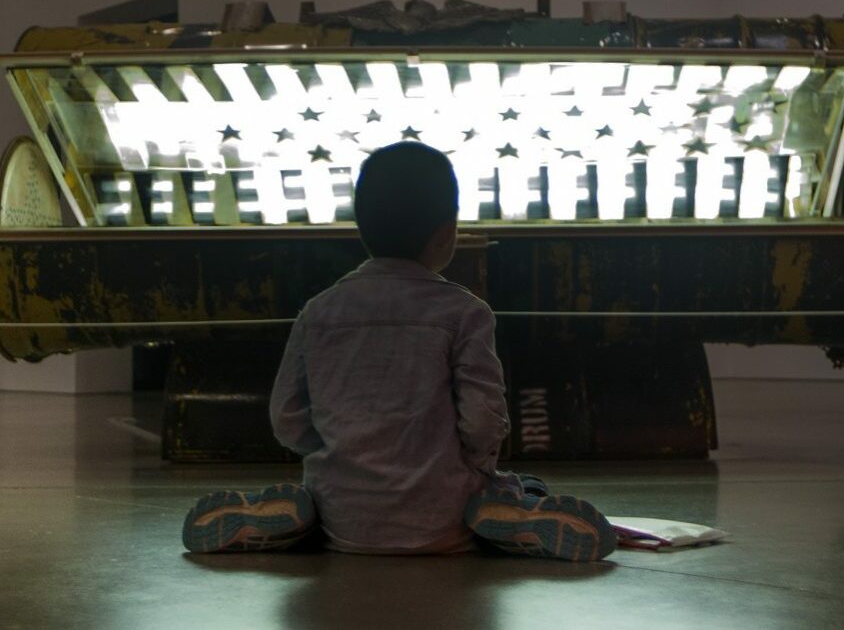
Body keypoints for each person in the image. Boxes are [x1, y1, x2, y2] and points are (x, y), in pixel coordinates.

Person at [182, 142, 616, 561]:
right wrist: (474, 468)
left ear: (360, 227)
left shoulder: (318, 312)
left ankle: (301, 515)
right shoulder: (465, 312)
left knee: (318, 503)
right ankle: (515, 507)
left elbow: (287, 419)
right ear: (447, 233)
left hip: (343, 523)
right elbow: (482, 420)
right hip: (445, 522)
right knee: (525, 485)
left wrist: (335, 455)